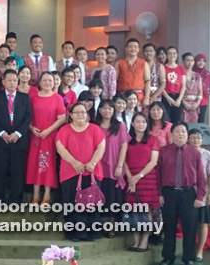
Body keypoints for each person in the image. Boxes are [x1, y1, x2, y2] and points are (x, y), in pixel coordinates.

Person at [157, 122, 207, 265]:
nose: (180, 134)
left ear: (187, 135)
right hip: (168, 194)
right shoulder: (164, 151)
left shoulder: (195, 153)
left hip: (189, 194)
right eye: (177, 131)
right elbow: (158, 174)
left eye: (183, 132)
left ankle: (188, 258)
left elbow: (201, 177)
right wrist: (160, 193)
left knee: (190, 227)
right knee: (169, 226)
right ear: (172, 134)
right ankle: (168, 257)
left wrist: (200, 196)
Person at [56, 102, 106, 241]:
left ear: (87, 114)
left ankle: (92, 234)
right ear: (71, 115)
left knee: (92, 203)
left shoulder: (95, 129)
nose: (80, 115)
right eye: (77, 112)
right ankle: (76, 234)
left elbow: (101, 147)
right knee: (72, 202)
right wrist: (74, 163)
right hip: (70, 172)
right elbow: (60, 148)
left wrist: (93, 163)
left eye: (83, 112)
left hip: (91, 172)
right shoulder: (64, 130)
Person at [0, 69, 32, 203]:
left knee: (17, 172)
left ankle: (15, 199)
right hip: (0, 140)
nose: (12, 83)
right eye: (9, 80)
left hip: (19, 140)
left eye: (14, 80)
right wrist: (1, 133)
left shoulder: (24, 97)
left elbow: (28, 117)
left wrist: (18, 134)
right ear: (4, 82)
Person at [26, 72, 66, 204]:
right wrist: (31, 128)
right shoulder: (33, 96)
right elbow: (26, 115)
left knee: (47, 164)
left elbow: (61, 118)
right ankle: (35, 194)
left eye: (50, 80)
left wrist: (48, 131)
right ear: (40, 82)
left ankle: (47, 195)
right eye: (44, 80)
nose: (47, 83)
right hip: (35, 136)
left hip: (50, 136)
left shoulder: (57, 98)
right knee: (33, 164)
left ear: (54, 82)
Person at [124, 112, 159, 252]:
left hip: (147, 178)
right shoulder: (127, 139)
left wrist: (138, 176)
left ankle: (145, 240)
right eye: (137, 121)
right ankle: (136, 241)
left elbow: (153, 161)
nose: (141, 124)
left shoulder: (153, 140)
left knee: (146, 210)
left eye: (143, 122)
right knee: (133, 209)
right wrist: (130, 179)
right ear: (132, 123)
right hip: (130, 177)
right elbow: (123, 160)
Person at [96, 100, 129, 239]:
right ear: (99, 110)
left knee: (113, 197)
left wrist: (120, 165)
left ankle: (111, 227)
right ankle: (98, 226)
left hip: (114, 166)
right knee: (98, 196)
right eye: (104, 108)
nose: (107, 111)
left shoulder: (119, 126)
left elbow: (124, 146)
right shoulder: (94, 126)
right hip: (98, 166)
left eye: (110, 108)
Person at [188, 129, 210, 263]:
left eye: (198, 138)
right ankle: (190, 250)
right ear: (188, 139)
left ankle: (200, 251)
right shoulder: (185, 152)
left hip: (203, 194)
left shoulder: (207, 154)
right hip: (187, 193)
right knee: (190, 223)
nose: (196, 140)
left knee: (202, 223)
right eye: (193, 138)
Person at [116, 38, 151, 106]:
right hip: (123, 96)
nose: (133, 49)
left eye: (135, 47)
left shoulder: (144, 63)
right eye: (130, 47)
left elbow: (147, 81)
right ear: (126, 48)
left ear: (138, 49)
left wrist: (146, 97)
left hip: (139, 97)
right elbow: (114, 81)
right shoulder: (119, 63)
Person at [162, 47, 187, 123]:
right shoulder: (163, 67)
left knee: (177, 121)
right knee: (166, 121)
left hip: (178, 97)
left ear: (177, 55)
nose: (172, 55)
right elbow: (161, 86)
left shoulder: (181, 68)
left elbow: (183, 85)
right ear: (166, 55)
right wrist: (170, 99)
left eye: (174, 53)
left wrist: (179, 99)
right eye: (169, 53)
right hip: (166, 97)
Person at [181, 53, 203, 123]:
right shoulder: (180, 74)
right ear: (183, 61)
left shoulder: (197, 75)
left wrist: (197, 103)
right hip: (183, 104)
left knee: (193, 125)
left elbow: (200, 91)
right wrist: (184, 103)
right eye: (187, 60)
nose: (190, 62)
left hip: (194, 105)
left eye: (192, 60)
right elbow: (178, 91)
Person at [192, 54, 210, 123]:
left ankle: (199, 134)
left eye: (203, 61)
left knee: (200, 120)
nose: (201, 63)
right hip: (190, 101)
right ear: (195, 61)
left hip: (203, 101)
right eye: (199, 60)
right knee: (189, 120)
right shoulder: (191, 73)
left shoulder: (209, 75)